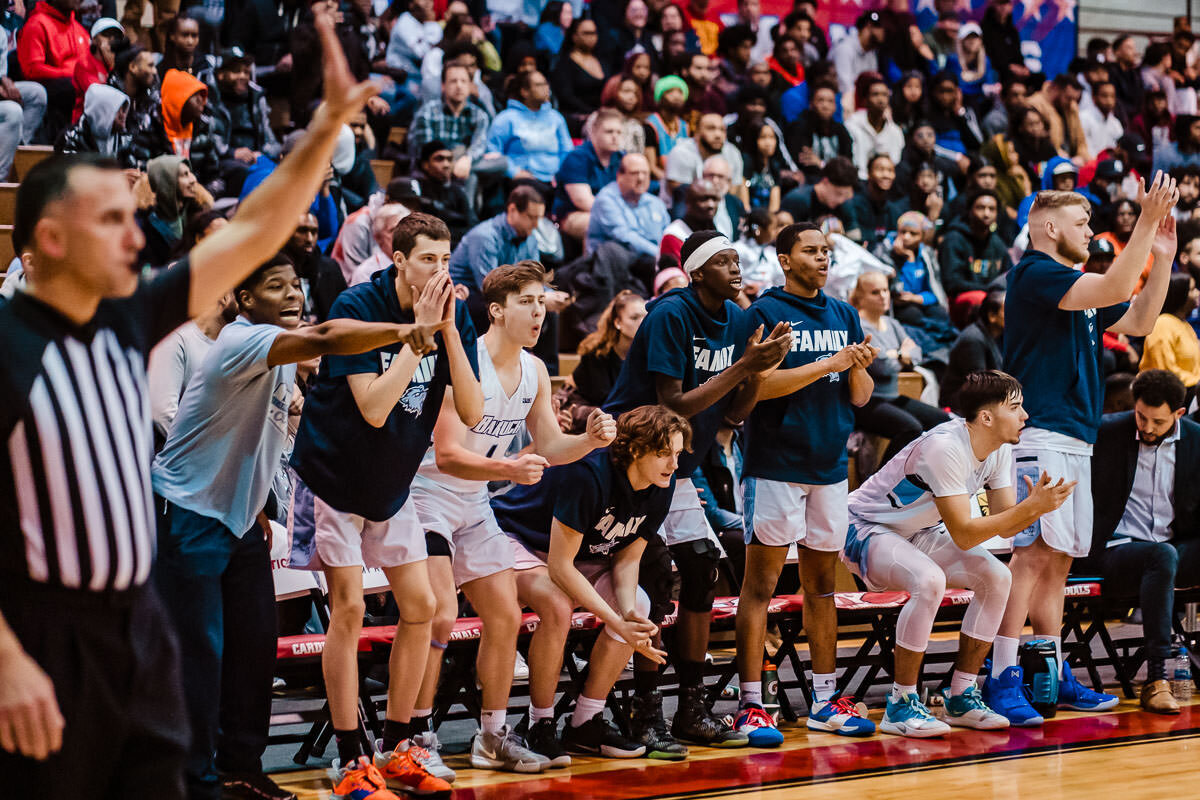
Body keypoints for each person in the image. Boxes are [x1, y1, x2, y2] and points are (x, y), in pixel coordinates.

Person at [0, 5, 376, 794]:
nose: (136, 236)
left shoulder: (127, 318)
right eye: (111, 220)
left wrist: (326, 127)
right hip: (40, 642)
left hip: (138, 629)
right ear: (50, 243)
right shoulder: (8, 347)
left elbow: (252, 234)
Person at [153, 255, 444, 800]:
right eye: (273, 286)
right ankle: (191, 781)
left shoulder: (282, 351)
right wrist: (409, 331)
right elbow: (331, 335)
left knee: (254, 649)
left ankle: (240, 767)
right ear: (242, 301)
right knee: (200, 655)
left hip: (237, 519)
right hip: (185, 514)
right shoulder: (244, 340)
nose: (292, 294)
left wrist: (258, 504)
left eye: (295, 285)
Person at [289, 213, 484, 798]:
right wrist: (415, 336)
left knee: (421, 607)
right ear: (397, 260)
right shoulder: (357, 304)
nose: (439, 271)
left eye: (447, 260)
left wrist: (446, 332)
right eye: (428, 259)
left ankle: (400, 744)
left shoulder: (453, 311)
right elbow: (374, 407)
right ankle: (351, 757)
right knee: (347, 609)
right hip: (335, 477)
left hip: (390, 481)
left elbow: (472, 413)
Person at [410, 261, 618, 776]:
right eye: (527, 301)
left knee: (504, 615)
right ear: (497, 310)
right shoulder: (465, 362)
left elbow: (549, 446)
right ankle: (416, 735)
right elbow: (448, 455)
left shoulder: (536, 371)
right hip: (427, 496)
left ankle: (492, 736)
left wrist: (589, 441)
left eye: (543, 302)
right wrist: (507, 466)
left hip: (475, 502)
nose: (538, 311)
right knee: (439, 614)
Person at [984, 182, 1179, 727]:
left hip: (1074, 434)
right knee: (1031, 557)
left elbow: (1139, 320)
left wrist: (1161, 257)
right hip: (1039, 430)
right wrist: (1144, 222)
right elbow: (1118, 279)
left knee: (1060, 557)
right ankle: (1003, 676)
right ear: (1048, 227)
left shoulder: (1077, 287)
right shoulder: (1035, 274)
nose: (1091, 232)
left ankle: (1049, 669)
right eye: (1082, 222)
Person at [604, 229, 792, 755]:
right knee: (657, 578)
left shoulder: (736, 320)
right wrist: (744, 367)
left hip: (678, 469)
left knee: (704, 567)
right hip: (633, 463)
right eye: (725, 261)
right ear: (697, 272)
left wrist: (761, 369)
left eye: (737, 260)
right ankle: (646, 712)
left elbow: (732, 414)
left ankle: (690, 707)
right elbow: (673, 406)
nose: (737, 269)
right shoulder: (670, 315)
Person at [844, 371, 1075, 737]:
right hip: (866, 527)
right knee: (929, 580)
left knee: (998, 577)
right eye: (1015, 407)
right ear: (986, 417)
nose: (1025, 415)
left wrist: (1033, 508)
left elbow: (1006, 525)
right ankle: (900, 704)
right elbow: (966, 534)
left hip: (917, 531)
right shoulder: (944, 448)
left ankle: (961, 695)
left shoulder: (1000, 449)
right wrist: (1027, 508)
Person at [734, 222, 878, 747]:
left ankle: (824, 698)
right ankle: (752, 705)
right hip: (774, 464)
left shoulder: (842, 313)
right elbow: (756, 388)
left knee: (822, 587)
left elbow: (859, 396)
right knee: (760, 588)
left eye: (826, 251)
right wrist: (829, 364)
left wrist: (856, 367)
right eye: (810, 251)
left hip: (829, 467)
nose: (822, 258)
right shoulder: (764, 314)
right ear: (783, 259)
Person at [491, 405, 688, 760]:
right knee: (556, 605)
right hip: (517, 537)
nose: (674, 465)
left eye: (676, 454)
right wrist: (616, 622)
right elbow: (560, 567)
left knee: (639, 607)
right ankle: (541, 724)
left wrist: (626, 613)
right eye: (664, 454)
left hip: (581, 553)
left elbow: (627, 558)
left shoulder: (662, 484)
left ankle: (586, 722)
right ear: (635, 449)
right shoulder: (589, 474)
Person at [1089, 369, 1200, 715]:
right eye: (1141, 416)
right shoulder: (1107, 433)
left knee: (1164, 554)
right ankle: (1156, 679)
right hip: (1115, 552)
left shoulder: (1197, 441)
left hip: (1173, 548)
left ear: (1179, 414)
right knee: (1160, 555)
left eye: (1158, 421)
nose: (1147, 427)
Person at [851, 271, 950, 464]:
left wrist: (894, 355)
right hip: (867, 402)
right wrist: (900, 354)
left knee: (943, 421)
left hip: (893, 397)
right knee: (910, 428)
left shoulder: (892, 323)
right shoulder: (859, 326)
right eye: (875, 292)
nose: (883, 296)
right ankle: (881, 484)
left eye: (886, 290)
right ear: (860, 297)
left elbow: (916, 353)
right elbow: (881, 368)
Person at [410, 62, 506, 207]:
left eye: (463, 81)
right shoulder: (428, 112)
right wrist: (455, 161)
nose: (459, 86)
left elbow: (479, 145)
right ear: (443, 86)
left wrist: (467, 159)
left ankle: (466, 216)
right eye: (453, 81)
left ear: (470, 86)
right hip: (434, 170)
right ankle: (468, 219)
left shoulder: (479, 115)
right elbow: (426, 153)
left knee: (502, 163)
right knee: (471, 176)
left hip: (466, 167)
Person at [448, 186, 544, 331]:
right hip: (467, 295)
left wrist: (547, 296)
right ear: (512, 210)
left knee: (546, 310)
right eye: (531, 217)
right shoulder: (484, 236)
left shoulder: (530, 238)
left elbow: (534, 278)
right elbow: (489, 286)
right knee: (500, 308)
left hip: (503, 292)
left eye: (539, 219)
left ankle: (532, 353)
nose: (536, 225)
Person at [560, 290, 648, 431]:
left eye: (645, 317)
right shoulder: (598, 353)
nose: (642, 323)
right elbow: (606, 400)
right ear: (618, 322)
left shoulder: (649, 352)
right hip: (582, 406)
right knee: (610, 419)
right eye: (634, 318)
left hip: (616, 414)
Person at [206, 46, 281, 197]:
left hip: (255, 157)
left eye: (246, 72)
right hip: (225, 161)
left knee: (283, 171)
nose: (243, 76)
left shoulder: (256, 98)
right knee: (251, 174)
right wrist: (232, 152)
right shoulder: (210, 99)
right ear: (221, 74)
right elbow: (209, 139)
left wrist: (263, 152)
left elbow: (269, 138)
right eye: (236, 71)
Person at [487, 70, 574, 186]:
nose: (545, 88)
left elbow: (567, 150)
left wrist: (560, 175)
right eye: (539, 85)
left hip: (554, 181)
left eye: (546, 83)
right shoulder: (506, 118)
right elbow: (493, 151)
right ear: (524, 92)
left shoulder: (556, 117)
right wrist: (514, 172)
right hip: (519, 181)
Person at [16, 0, 90, 131]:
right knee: (71, 86)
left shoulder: (80, 30)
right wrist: (70, 74)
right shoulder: (36, 24)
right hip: (52, 92)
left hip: (76, 87)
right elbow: (31, 70)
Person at [554, 109, 625, 240]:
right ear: (593, 132)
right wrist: (621, 215)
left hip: (615, 211)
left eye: (619, 132)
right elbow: (583, 201)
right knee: (599, 224)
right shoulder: (577, 158)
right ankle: (593, 260)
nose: (615, 136)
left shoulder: (622, 158)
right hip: (575, 214)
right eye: (609, 131)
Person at [587, 153, 670, 258]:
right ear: (619, 176)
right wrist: (661, 255)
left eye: (645, 173)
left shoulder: (656, 203)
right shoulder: (606, 199)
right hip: (613, 263)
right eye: (634, 173)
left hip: (651, 263)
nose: (641, 178)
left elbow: (667, 234)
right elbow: (625, 237)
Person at [938, 189, 1013, 302]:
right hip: (961, 299)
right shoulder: (954, 240)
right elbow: (952, 283)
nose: (986, 214)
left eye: (992, 209)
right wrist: (988, 290)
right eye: (981, 208)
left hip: (992, 297)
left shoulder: (997, 242)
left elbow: (1010, 275)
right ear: (969, 211)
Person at [941, 289, 1005, 411]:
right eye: (1008, 311)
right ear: (992, 316)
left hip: (984, 398)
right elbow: (979, 385)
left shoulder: (998, 334)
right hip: (960, 405)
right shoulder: (973, 339)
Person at [1140, 272, 1200, 396]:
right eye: (1192, 289)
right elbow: (1165, 371)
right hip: (1162, 394)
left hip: (1188, 390)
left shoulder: (1185, 325)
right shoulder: (1163, 324)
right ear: (1180, 294)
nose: (1198, 293)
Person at [665, 112, 745, 203]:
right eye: (711, 128)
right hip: (687, 205)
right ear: (697, 132)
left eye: (722, 130)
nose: (718, 135)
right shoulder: (681, 152)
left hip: (721, 204)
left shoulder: (732, 153)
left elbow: (733, 190)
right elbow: (681, 193)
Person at [285, 211, 348, 323]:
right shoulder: (274, 269)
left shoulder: (330, 268)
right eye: (302, 231)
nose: (309, 239)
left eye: (314, 232)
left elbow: (344, 311)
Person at [785, 82, 854, 185]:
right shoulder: (800, 128)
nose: (825, 106)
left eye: (830, 101)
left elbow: (847, 165)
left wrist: (820, 163)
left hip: (838, 182)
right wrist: (833, 167)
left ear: (835, 106)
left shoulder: (841, 131)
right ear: (811, 104)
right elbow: (806, 164)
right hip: (809, 182)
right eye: (820, 100)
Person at [407, 140, 474, 245]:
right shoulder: (416, 189)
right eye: (439, 159)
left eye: (449, 159)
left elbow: (472, 226)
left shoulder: (458, 192)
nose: (446, 164)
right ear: (425, 164)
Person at [551, 18, 609, 125]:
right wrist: (592, 113)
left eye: (594, 33)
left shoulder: (603, 60)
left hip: (602, 115)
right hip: (577, 117)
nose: (591, 37)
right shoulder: (564, 63)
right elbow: (566, 96)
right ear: (574, 36)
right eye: (586, 33)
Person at [55, 83, 133, 161]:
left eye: (124, 109)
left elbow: (131, 164)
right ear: (102, 112)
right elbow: (72, 171)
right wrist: (118, 173)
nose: (123, 115)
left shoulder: (124, 139)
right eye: (117, 110)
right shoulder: (71, 138)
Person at [780, 156, 858, 234]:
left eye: (846, 195)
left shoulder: (844, 203)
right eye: (838, 194)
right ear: (825, 182)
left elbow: (855, 238)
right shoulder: (797, 200)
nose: (841, 200)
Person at [847, 75, 904, 179]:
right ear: (865, 99)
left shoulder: (895, 132)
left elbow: (895, 163)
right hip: (857, 180)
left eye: (884, 95)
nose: (880, 99)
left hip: (886, 183)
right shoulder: (851, 125)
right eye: (875, 94)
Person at [830, 10, 885, 108]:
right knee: (848, 98)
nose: (883, 32)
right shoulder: (845, 48)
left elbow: (873, 83)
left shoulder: (871, 53)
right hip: (838, 101)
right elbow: (844, 87)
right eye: (880, 28)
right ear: (868, 27)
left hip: (860, 102)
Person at [660, 179, 720, 266]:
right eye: (704, 199)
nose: (711, 205)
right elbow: (676, 277)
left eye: (714, 199)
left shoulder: (717, 231)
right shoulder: (673, 235)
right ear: (688, 202)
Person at [1080, 82, 1125, 162]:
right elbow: (1083, 150)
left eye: (1112, 96)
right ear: (1094, 98)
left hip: (1110, 167)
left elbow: (1118, 150)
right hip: (1090, 165)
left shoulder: (1115, 123)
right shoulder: (1084, 118)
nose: (1109, 101)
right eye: (1104, 96)